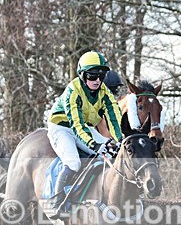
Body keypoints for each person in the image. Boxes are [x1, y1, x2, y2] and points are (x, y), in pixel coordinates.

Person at [47, 51, 124, 213]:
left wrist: (120, 140)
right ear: (82, 75)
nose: (97, 81)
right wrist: (93, 144)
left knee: (110, 156)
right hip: (62, 128)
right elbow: (76, 124)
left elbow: (114, 116)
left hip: (83, 127)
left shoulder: (104, 92)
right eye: (92, 76)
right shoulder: (72, 91)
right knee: (73, 163)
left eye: (101, 76)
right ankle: (56, 202)